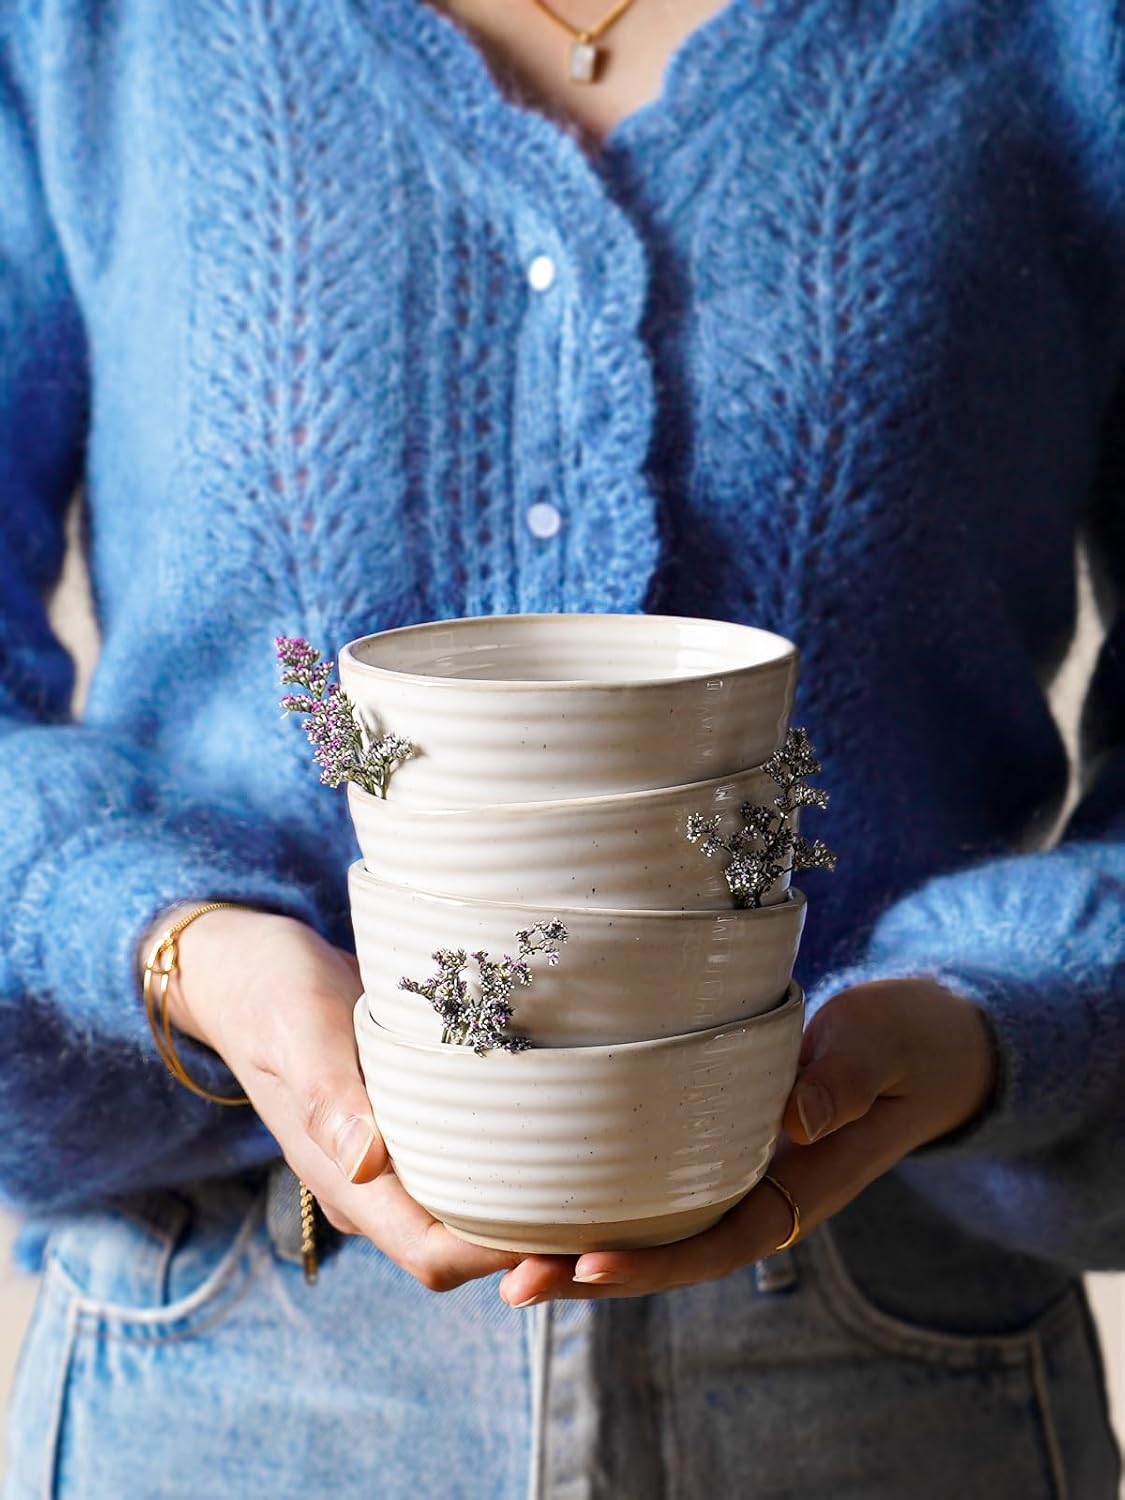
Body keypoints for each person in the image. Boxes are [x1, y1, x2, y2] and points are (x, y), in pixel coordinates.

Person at [1, 0, 1122, 1494]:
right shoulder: (94, 30)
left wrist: (994, 1013)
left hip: (888, 1370)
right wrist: (171, 947)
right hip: (223, 1366)